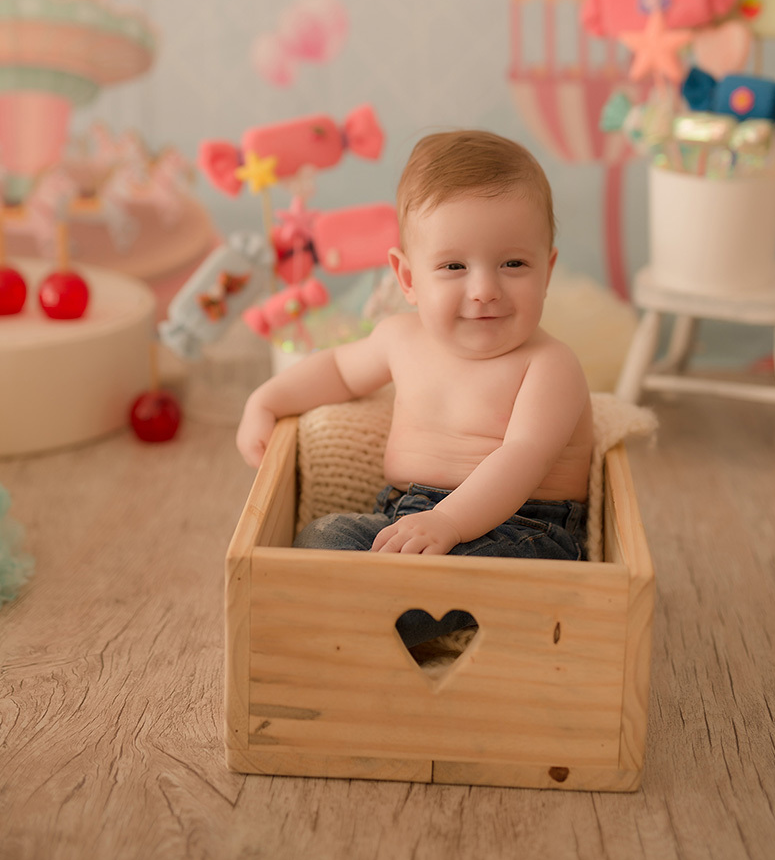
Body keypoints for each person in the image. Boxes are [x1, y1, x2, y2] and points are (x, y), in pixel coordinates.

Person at [236, 130, 593, 646]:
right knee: (322, 538)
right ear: (407, 278)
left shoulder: (551, 365)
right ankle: (374, 615)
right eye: (454, 266)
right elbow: (335, 369)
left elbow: (524, 455)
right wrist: (264, 401)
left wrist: (448, 521)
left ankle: (374, 624)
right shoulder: (400, 338)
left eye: (513, 264)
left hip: (523, 529)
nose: (484, 289)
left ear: (547, 269)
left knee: (444, 586)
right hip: (405, 514)